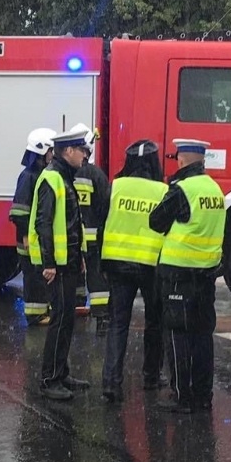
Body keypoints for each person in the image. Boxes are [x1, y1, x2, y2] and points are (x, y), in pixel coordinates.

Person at [150, 137, 227, 413]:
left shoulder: (182, 189)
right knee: (203, 334)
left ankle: (182, 396)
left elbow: (156, 221)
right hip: (205, 274)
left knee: (178, 334)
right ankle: (203, 395)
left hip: (178, 274)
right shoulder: (214, 189)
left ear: (181, 160)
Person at [99, 140, 168, 403]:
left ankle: (111, 383)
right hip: (151, 266)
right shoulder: (163, 190)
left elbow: (102, 222)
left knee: (118, 324)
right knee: (154, 322)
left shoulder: (116, 186)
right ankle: (151, 375)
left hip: (117, 263)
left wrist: (101, 264)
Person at [31, 128, 89, 400]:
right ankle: (50, 378)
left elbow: (72, 224)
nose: (85, 154)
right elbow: (44, 222)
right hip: (58, 265)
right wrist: (49, 263)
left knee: (66, 319)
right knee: (60, 319)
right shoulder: (53, 179)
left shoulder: (64, 177)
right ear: (68, 151)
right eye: (81, 150)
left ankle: (61, 372)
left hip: (69, 262)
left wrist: (80, 258)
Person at [10, 128, 56, 327]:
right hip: (28, 239)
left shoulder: (40, 174)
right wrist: (26, 237)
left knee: (39, 276)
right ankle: (34, 315)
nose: (53, 155)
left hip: (36, 237)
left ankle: (41, 311)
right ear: (42, 151)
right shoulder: (29, 176)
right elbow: (20, 212)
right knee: (33, 277)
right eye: (51, 150)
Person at [70, 124, 112, 330]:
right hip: (93, 237)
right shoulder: (96, 175)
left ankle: (75, 308)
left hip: (71, 237)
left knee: (73, 272)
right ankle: (101, 316)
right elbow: (105, 206)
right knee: (96, 274)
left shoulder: (64, 173)